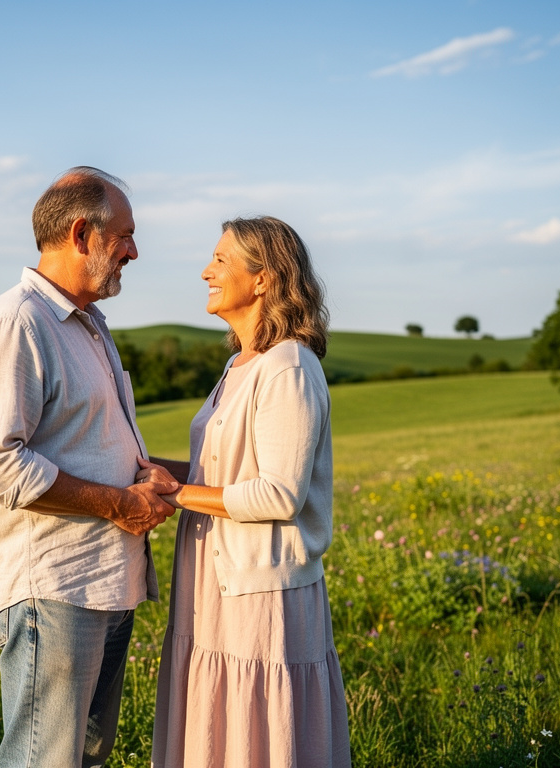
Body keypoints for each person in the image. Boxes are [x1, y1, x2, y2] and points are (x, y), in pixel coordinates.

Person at [0, 166, 178, 768]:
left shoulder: (89, 326)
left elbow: (101, 448)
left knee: (83, 758)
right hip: (53, 589)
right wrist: (120, 504)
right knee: (45, 760)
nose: (133, 252)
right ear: (82, 234)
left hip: (104, 583)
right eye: (125, 236)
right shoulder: (16, 323)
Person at [140, 216, 353, 767]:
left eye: (221, 260)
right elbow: (221, 470)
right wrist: (141, 469)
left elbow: (279, 494)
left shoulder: (289, 366)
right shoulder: (239, 364)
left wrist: (176, 493)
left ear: (263, 279)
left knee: (259, 733)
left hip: (262, 590)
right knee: (219, 730)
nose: (206, 272)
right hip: (213, 585)